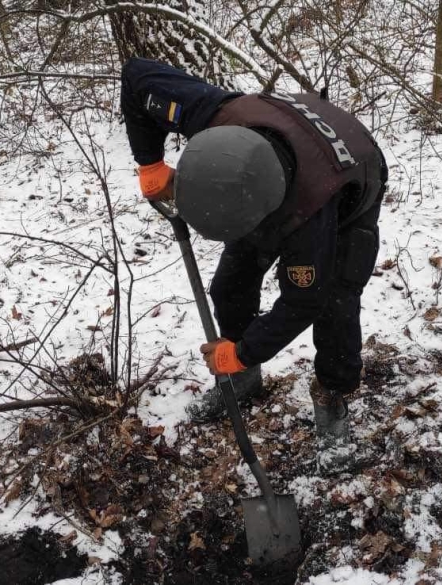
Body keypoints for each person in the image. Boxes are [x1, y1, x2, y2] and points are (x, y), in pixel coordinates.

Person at [120, 58, 386, 473]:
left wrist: (243, 351)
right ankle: (245, 381)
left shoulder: (311, 217)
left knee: (336, 302)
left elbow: (303, 302)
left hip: (350, 177)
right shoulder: (216, 115)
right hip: (264, 162)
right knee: (231, 283)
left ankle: (332, 397)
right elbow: (137, 75)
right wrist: (150, 161)